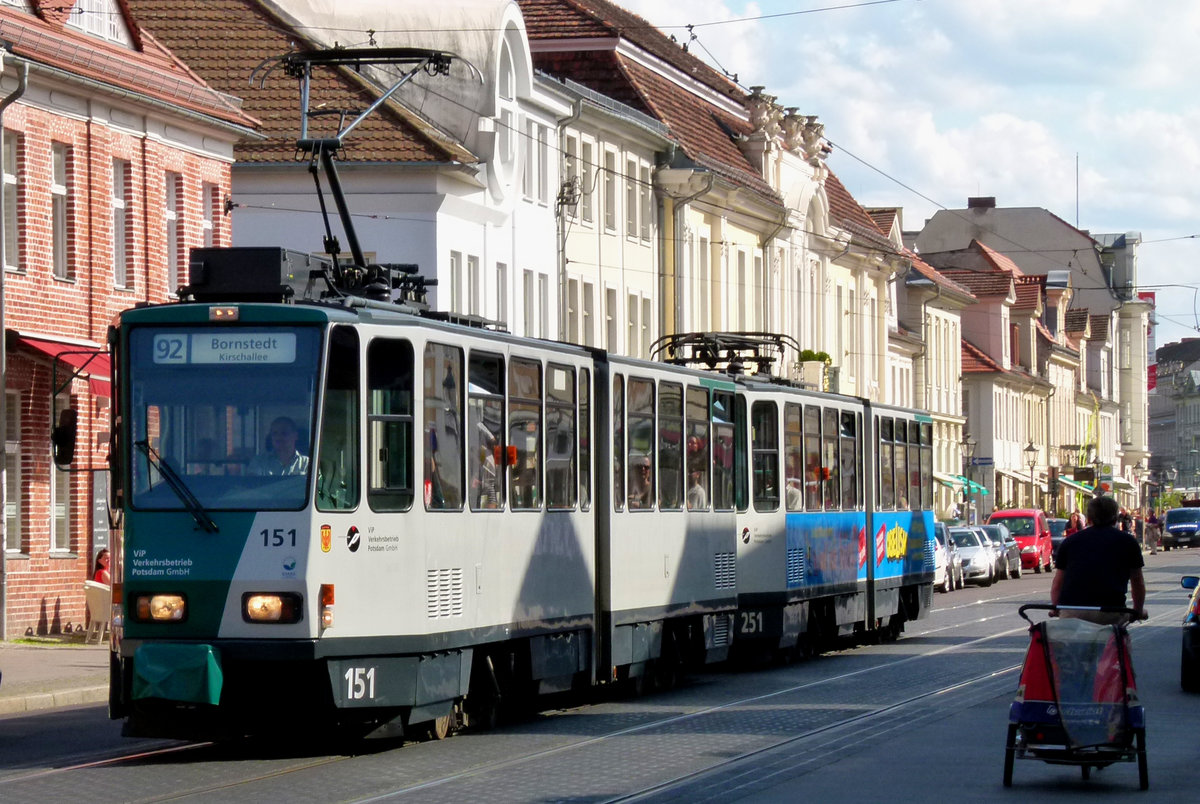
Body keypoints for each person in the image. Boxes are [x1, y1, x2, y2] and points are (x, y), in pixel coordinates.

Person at [1051, 495, 1146, 624]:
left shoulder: (1070, 542)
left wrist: (1056, 607)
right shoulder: (1128, 542)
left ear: (1089, 519)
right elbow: (1137, 582)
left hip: (1073, 611)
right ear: (1115, 520)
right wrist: (1138, 610)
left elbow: (1058, 582)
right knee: (1118, 639)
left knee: (1067, 640)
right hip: (1110, 612)